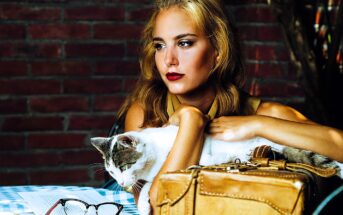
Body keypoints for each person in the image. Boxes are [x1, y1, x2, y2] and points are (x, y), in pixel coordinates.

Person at [114, 0, 343, 213]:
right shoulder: (145, 113)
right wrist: (191, 122)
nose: (168, 60)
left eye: (185, 43)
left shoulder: (262, 113)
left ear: (218, 51)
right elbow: (158, 207)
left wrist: (258, 125)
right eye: (160, 46)